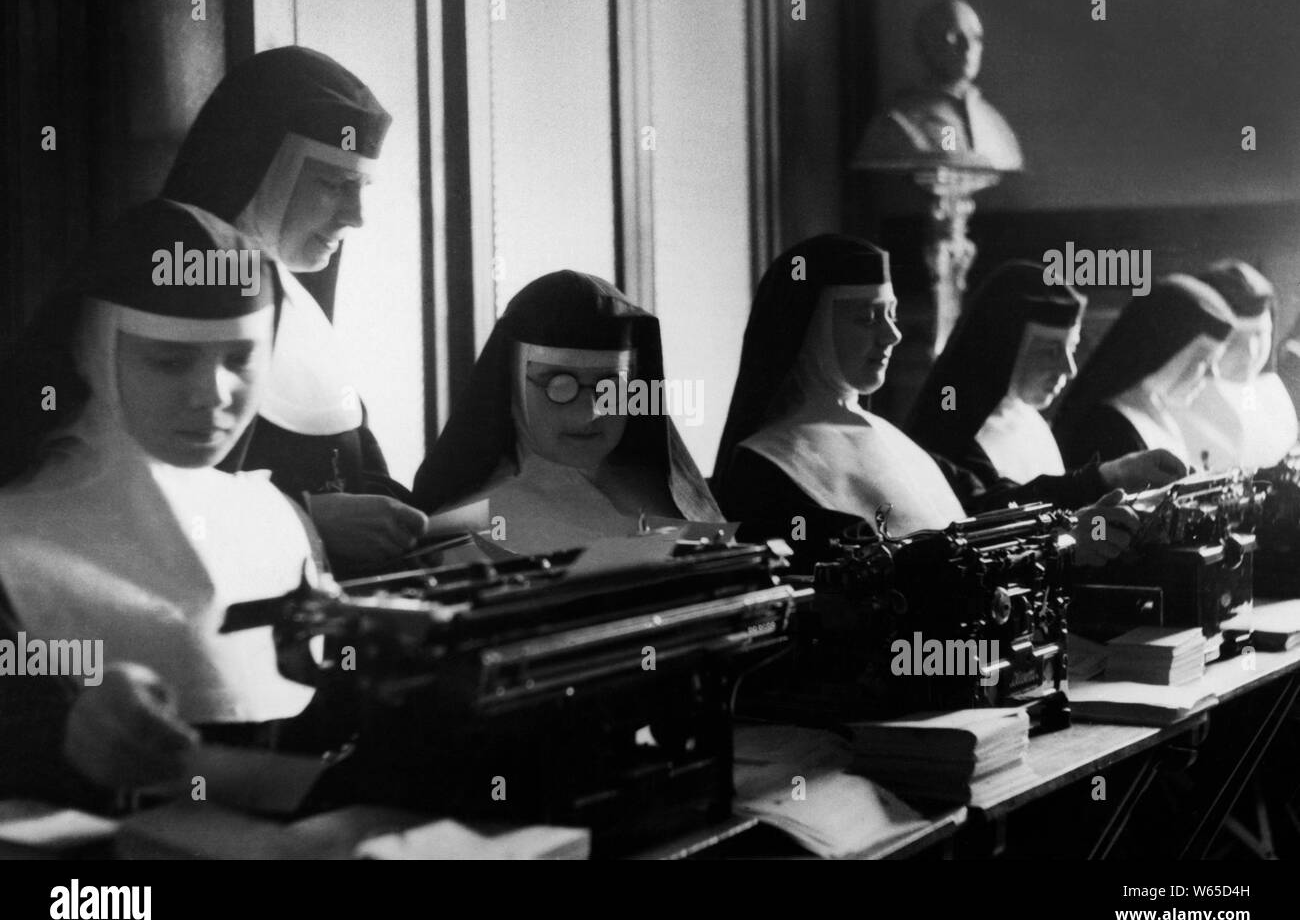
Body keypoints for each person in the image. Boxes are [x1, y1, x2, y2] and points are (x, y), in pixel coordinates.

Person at [0, 200, 320, 805]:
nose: (212, 395)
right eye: (170, 361)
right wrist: (62, 732)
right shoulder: (11, 540)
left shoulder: (278, 521)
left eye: (240, 357)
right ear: (93, 347)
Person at [712, 235, 1138, 568]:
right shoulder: (763, 469)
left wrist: (1098, 483)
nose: (893, 336)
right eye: (867, 318)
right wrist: (1059, 543)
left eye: (892, 314)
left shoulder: (887, 435)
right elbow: (891, 578)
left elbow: (983, 508)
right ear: (808, 328)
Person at [162, 46, 425, 574]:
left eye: (361, 188)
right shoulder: (161, 305)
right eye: (333, 185)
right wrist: (303, 519)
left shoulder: (301, 310)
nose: (356, 217)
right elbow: (136, 505)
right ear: (260, 170)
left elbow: (356, 472)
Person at [412, 271, 722, 554]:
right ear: (512, 386)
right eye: (558, 387)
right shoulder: (467, 529)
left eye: (610, 387)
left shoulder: (666, 495)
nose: (588, 414)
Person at [907, 260, 1186, 490]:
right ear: (1004, 350)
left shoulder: (1032, 421)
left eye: (1072, 349)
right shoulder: (952, 437)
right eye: (1050, 352)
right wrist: (1110, 475)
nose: (1068, 369)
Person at [1054, 275, 1236, 468]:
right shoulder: (1106, 428)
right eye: (1203, 359)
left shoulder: (1155, 407)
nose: (1212, 374)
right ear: (1162, 350)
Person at [852, 0, 1023, 172]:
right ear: (925, 45)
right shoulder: (896, 125)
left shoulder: (995, 124)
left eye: (976, 37)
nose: (968, 47)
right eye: (955, 36)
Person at [1167, 260, 1298, 470]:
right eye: (1235, 339)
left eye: (1260, 334)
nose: (1251, 352)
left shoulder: (1269, 387)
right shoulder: (1182, 396)